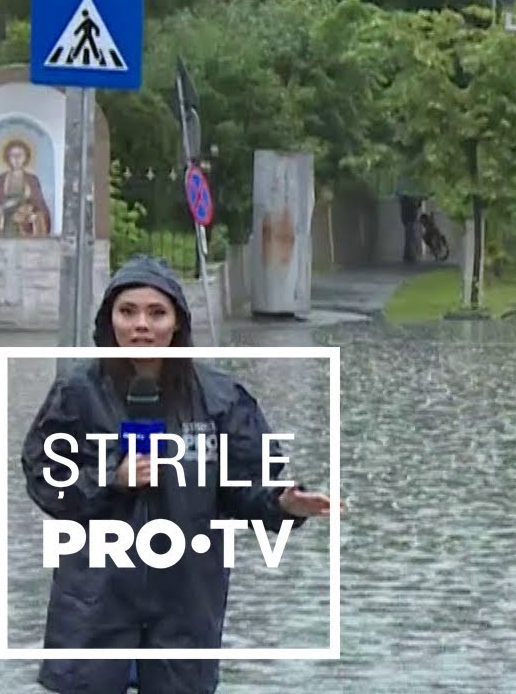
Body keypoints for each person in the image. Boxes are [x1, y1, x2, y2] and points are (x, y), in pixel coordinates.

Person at [19, 254, 336, 694]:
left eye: (156, 313)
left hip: (184, 603)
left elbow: (248, 486)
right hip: (97, 601)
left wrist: (283, 502)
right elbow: (45, 477)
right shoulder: (77, 394)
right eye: (127, 312)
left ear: (177, 324)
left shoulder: (219, 398)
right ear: (110, 320)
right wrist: (112, 478)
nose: (141, 326)